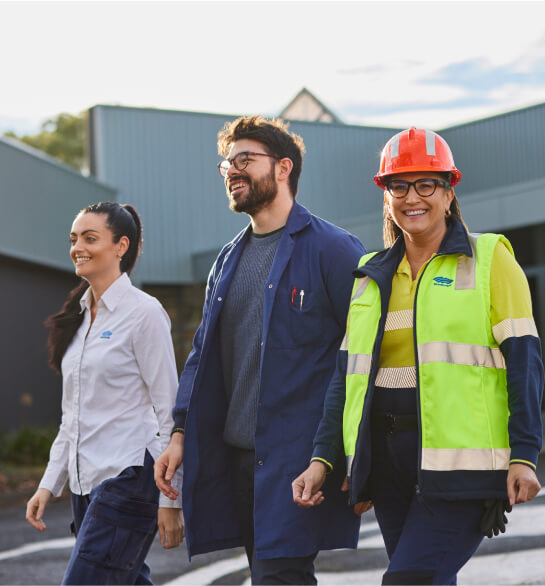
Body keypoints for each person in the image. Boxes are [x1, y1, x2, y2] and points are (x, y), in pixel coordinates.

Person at [292, 128, 544, 585]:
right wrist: (324, 459)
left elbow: (525, 362)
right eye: (399, 185)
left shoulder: (489, 259)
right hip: (388, 466)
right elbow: (345, 381)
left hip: (462, 470)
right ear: (386, 196)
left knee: (406, 580)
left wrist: (524, 454)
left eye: (426, 184)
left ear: (449, 192)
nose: (413, 197)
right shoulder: (370, 277)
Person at [154, 116, 367, 584]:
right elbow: (201, 356)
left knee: (279, 577)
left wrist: (346, 452)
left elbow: (361, 360)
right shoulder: (227, 260)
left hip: (298, 460)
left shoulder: (334, 251)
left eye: (245, 160)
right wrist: (179, 433)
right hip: (237, 463)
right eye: (226, 164)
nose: (232, 171)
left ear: (283, 168)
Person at [25, 201, 184, 585]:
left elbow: (171, 411)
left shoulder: (144, 313)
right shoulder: (77, 320)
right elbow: (72, 417)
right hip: (85, 484)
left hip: (129, 477)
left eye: (90, 238)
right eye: (74, 238)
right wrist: (49, 483)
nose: (78, 246)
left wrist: (170, 500)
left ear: (121, 246)